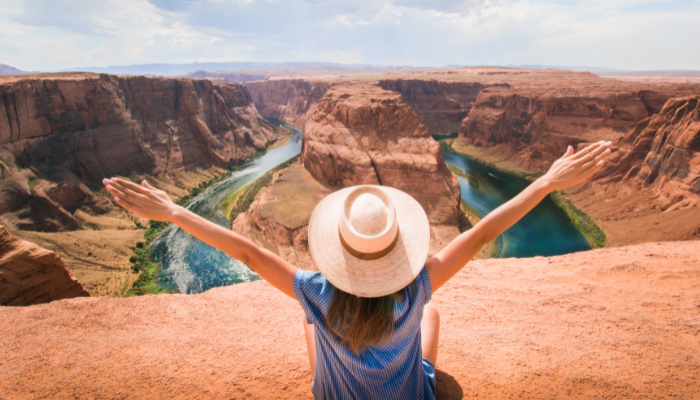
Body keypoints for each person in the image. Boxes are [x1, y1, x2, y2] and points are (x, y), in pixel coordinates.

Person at [104, 141, 612, 399]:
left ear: (341, 252)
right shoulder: (418, 288)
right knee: (431, 317)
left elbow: (251, 255)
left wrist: (173, 212)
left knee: (309, 321)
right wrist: (545, 183)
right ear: (396, 250)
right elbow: (478, 235)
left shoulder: (317, 293)